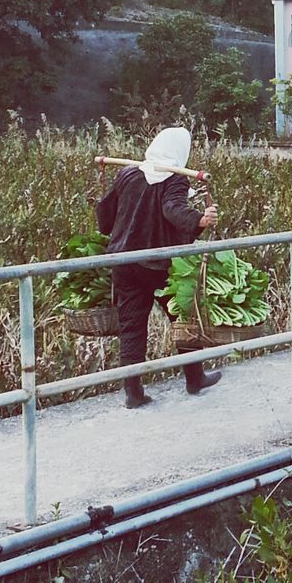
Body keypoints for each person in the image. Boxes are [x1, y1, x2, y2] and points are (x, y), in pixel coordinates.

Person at [96, 127, 220, 408]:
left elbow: (106, 214)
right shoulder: (173, 179)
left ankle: (133, 392)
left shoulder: (128, 173)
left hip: (123, 261)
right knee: (181, 318)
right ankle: (194, 377)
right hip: (158, 263)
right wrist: (200, 220)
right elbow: (172, 210)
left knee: (131, 325)